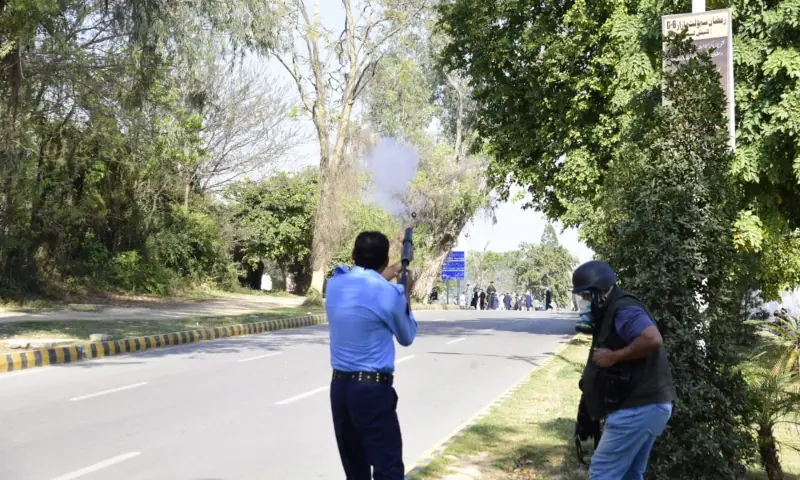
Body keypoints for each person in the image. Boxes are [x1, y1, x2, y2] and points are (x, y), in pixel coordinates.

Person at [325, 231, 418, 480]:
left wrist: (389, 273)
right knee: (388, 469)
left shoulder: (335, 283)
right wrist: (405, 292)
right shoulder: (389, 295)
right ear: (385, 259)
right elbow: (407, 336)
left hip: (340, 389)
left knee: (355, 471)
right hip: (372, 392)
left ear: (354, 255)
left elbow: (366, 283)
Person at [572, 260, 676, 480]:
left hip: (638, 407)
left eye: (587, 297)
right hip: (648, 405)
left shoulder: (624, 309)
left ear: (600, 292)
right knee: (630, 474)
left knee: (602, 472)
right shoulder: (613, 308)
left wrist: (613, 357)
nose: (585, 302)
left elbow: (652, 338)